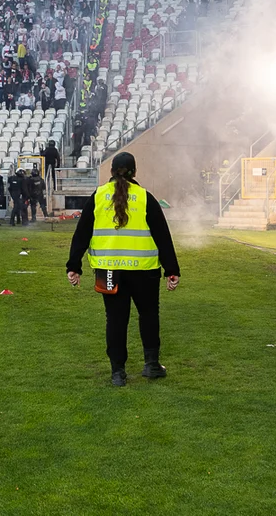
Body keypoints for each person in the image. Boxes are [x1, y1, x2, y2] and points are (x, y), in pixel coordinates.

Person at [66, 152, 180, 386]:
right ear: (134, 172)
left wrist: (74, 265)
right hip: (144, 271)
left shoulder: (98, 196)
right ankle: (151, 365)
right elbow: (162, 236)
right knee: (148, 315)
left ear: (111, 171)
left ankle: (118, 372)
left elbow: (82, 233)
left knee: (116, 320)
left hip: (108, 270)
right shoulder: (145, 197)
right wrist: (171, 269)